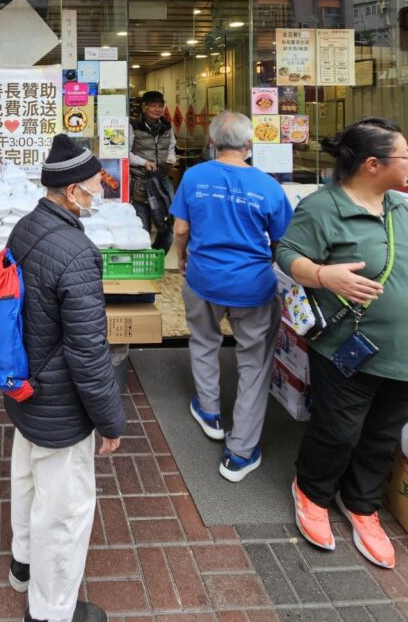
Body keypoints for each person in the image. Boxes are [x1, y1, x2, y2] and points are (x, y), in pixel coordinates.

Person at [276, 117, 408, 569]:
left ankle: (363, 505)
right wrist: (322, 274)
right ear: (373, 164)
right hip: (348, 347)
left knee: (382, 434)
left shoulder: (401, 206)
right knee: (339, 430)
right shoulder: (323, 207)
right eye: (404, 156)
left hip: (403, 351)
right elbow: (286, 252)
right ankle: (312, 492)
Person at [5, 133, 126, 622]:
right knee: (66, 509)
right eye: (96, 183)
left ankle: (23, 566)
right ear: (73, 191)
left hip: (26, 386)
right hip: (60, 401)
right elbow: (88, 350)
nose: (101, 190)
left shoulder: (26, 226)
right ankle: (51, 611)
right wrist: (110, 420)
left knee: (26, 479)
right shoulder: (76, 253)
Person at [171, 111, 293, 482]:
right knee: (254, 362)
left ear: (212, 142)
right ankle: (240, 452)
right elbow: (283, 242)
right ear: (249, 145)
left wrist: (182, 259)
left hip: (203, 277)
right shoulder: (268, 186)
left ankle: (209, 412)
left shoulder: (194, 176)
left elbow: (181, 228)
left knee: (204, 341)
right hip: (252, 285)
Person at [129, 90, 177, 251]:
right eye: (153, 106)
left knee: (166, 221)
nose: (157, 109)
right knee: (142, 223)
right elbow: (125, 153)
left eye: (160, 106)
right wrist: (144, 162)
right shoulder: (134, 126)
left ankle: (158, 255)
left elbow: (171, 147)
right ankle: (144, 257)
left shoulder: (167, 126)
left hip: (162, 179)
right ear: (144, 107)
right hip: (141, 181)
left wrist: (171, 159)